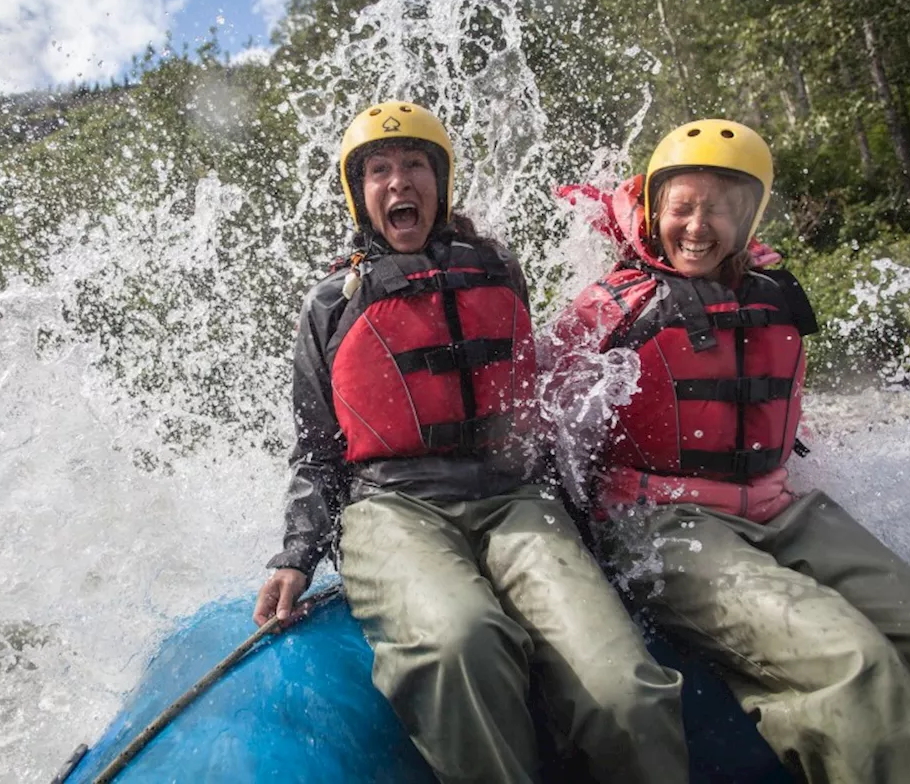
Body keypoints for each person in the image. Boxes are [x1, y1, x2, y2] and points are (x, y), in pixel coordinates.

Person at [543, 118, 910, 783]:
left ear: (750, 215)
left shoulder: (771, 290)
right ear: (653, 210)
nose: (698, 226)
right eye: (683, 208)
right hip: (662, 525)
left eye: (721, 209)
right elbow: (542, 429)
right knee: (851, 659)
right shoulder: (609, 307)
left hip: (783, 511)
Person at [252, 100, 688, 784]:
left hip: (512, 497)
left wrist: (580, 518)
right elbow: (316, 452)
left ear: (441, 182)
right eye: (381, 171)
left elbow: (532, 405)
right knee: (461, 641)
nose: (400, 183)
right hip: (392, 508)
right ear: (359, 193)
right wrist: (296, 555)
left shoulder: (497, 268)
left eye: (416, 165)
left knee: (624, 687)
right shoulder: (332, 303)